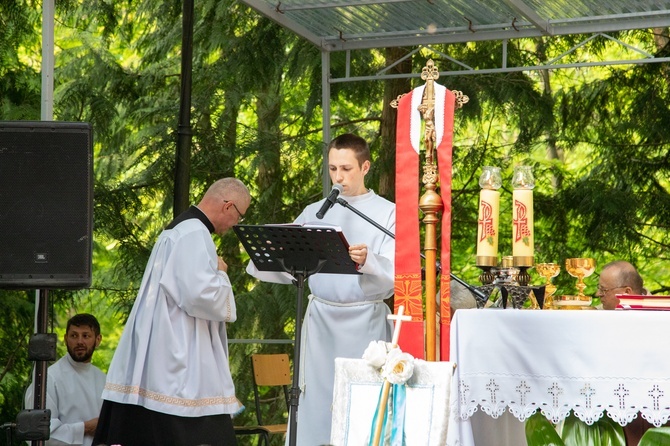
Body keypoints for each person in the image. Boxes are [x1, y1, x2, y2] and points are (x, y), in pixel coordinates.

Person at [246, 133, 395, 445]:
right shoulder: (316, 211)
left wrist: (370, 260)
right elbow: (292, 264)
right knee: (315, 401)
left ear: (365, 166)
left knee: (363, 402)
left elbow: (396, 274)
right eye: (332, 169)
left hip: (363, 324)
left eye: (346, 169)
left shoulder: (387, 212)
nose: (338, 177)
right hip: (321, 324)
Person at [93, 178, 250, 446]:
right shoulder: (194, 234)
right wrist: (222, 275)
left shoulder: (181, 229)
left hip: (165, 342)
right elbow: (200, 295)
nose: (236, 224)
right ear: (228, 206)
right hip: (180, 354)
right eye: (239, 216)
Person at [24, 313, 106, 446]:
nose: (80, 341)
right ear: (66, 338)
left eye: (86, 336)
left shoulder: (104, 380)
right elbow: (41, 435)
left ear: (98, 340)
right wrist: (86, 428)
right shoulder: (48, 378)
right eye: (74, 335)